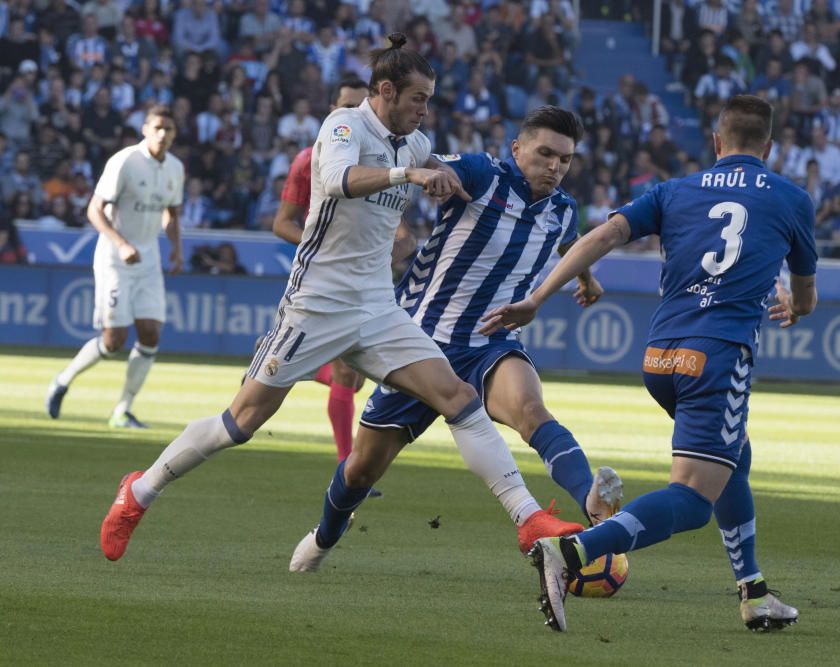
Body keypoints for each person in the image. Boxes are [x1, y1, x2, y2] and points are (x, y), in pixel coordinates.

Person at [98, 34, 583, 564]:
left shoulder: (417, 144)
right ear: (386, 90)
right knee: (240, 424)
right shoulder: (345, 124)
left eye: (430, 99)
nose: (426, 109)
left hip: (377, 308)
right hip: (316, 304)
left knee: (459, 399)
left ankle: (527, 517)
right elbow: (337, 181)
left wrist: (424, 207)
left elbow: (436, 180)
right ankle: (139, 492)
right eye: (418, 98)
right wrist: (410, 174)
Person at [482, 95, 818, 633]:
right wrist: (795, 306)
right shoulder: (791, 199)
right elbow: (804, 295)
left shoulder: (674, 190)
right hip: (717, 358)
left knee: (735, 457)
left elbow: (604, 235)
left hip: (661, 358)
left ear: (716, 143)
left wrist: (539, 297)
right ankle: (570, 553)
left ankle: (753, 592)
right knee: (691, 500)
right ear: (770, 147)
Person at [288, 105, 623, 572]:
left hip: (490, 343)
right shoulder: (484, 175)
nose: (554, 167)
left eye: (564, 160)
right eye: (545, 154)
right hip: (418, 345)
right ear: (517, 149)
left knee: (531, 410)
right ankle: (324, 537)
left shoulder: (561, 211)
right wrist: (434, 175)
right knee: (362, 468)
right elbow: (439, 166)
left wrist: (585, 278)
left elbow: (571, 242)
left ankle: (593, 507)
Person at [271, 77, 403, 482]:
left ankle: (305, 365)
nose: (351, 113)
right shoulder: (308, 160)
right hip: (321, 279)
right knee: (348, 376)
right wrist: (322, 242)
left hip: (365, 281)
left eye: (357, 105)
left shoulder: (380, 157)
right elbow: (282, 224)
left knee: (354, 380)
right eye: (343, 106)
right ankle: (346, 466)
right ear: (331, 112)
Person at [45, 104, 184, 428]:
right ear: (145, 130)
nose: (163, 134)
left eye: (169, 129)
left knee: (151, 333)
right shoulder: (125, 162)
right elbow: (94, 210)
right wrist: (121, 244)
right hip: (114, 255)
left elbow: (172, 213)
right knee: (114, 340)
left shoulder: (175, 168)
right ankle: (63, 380)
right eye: (158, 127)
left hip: (148, 255)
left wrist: (176, 249)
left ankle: (123, 409)